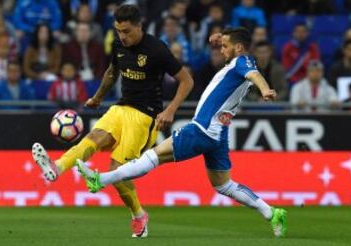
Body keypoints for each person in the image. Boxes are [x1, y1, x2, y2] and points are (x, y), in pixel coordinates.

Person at [76, 27, 288, 238]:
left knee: (154, 156)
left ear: (239, 48)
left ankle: (100, 180)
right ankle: (272, 213)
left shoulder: (243, 62)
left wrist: (265, 89)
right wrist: (221, 37)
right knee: (224, 185)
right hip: (217, 134)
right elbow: (240, 54)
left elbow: (254, 75)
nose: (221, 50)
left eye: (225, 46)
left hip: (202, 129)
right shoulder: (236, 63)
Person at [31, 4, 194, 238]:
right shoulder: (118, 44)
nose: (122, 36)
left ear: (139, 27)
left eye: (127, 31)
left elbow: (186, 80)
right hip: (120, 107)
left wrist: (170, 110)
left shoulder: (157, 49)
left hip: (144, 115)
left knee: (117, 173)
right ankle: (57, 168)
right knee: (94, 138)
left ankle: (139, 215)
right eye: (118, 30)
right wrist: (97, 97)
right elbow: (111, 71)